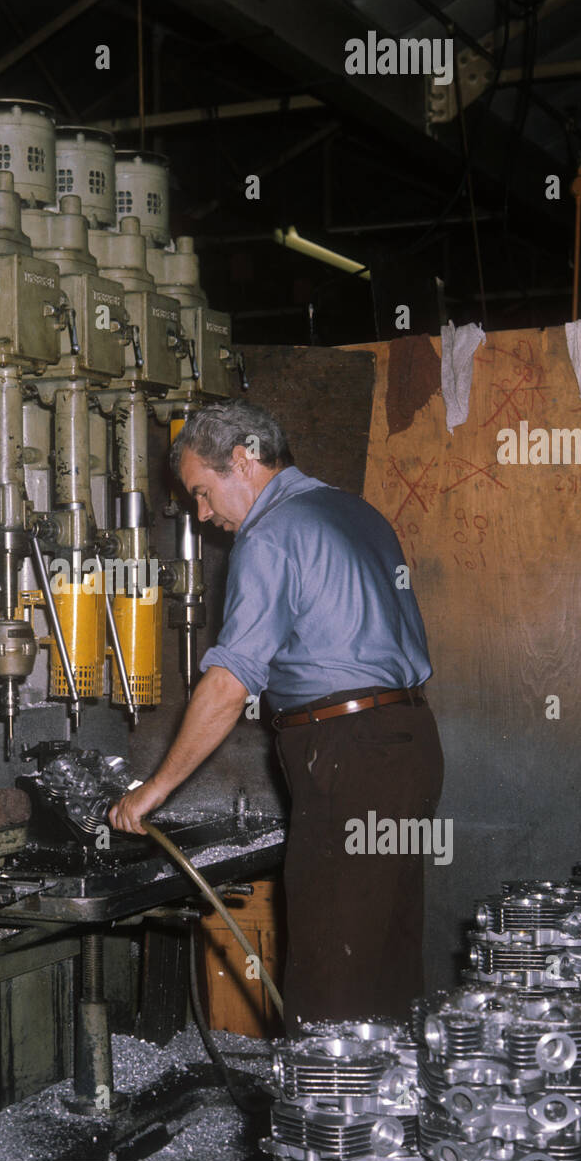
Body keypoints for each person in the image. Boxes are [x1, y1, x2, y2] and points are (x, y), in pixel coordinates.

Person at [108, 398, 443, 1032]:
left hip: (350, 754)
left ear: (242, 459)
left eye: (204, 493)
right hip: (410, 742)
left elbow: (231, 683)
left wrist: (153, 790)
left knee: (329, 972)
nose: (204, 516)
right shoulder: (356, 511)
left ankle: (323, 1123)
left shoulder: (273, 532)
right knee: (386, 960)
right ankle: (390, 1117)